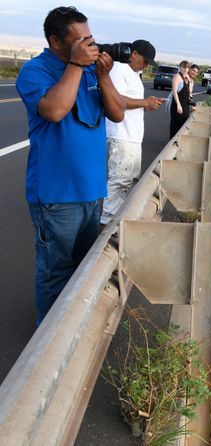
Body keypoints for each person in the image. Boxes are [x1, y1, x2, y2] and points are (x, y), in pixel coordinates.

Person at [15, 6, 125, 326]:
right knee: (54, 271)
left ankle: (72, 328)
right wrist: (77, 65)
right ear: (55, 41)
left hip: (91, 190)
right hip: (56, 195)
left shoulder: (91, 70)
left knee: (82, 268)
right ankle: (46, 342)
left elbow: (117, 113)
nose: (89, 45)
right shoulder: (35, 71)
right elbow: (54, 110)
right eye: (80, 40)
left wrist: (102, 76)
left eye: (90, 38)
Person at [101, 40, 164, 225]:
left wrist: (146, 104)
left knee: (128, 181)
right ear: (134, 54)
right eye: (145, 61)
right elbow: (115, 100)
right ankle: (107, 224)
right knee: (120, 181)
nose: (146, 65)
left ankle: (119, 222)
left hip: (132, 136)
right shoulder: (120, 69)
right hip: (122, 135)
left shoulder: (134, 74)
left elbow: (129, 102)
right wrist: (144, 103)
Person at [169, 60, 191, 139]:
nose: (185, 69)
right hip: (178, 106)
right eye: (183, 67)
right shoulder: (177, 76)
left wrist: (189, 81)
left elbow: (189, 93)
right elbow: (174, 91)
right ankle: (171, 146)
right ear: (180, 67)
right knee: (175, 127)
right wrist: (178, 105)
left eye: (187, 68)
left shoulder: (187, 78)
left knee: (182, 126)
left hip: (185, 106)